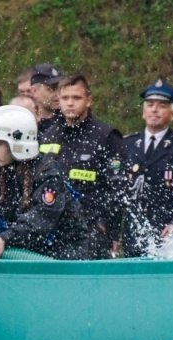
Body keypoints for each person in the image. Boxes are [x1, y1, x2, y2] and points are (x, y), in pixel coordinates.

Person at [0, 105, 88, 260]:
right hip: (24, 250)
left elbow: (40, 220)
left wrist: (5, 239)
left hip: (62, 255)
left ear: (17, 145)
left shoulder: (48, 174)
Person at [39, 74, 128, 259]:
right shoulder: (49, 135)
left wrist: (105, 225)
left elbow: (118, 188)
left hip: (90, 228)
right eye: (65, 98)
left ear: (88, 101)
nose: (70, 103)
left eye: (76, 98)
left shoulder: (106, 136)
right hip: (52, 226)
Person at [118, 78, 173, 257]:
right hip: (133, 232)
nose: (155, 110)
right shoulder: (128, 144)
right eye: (150, 105)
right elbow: (117, 191)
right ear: (143, 112)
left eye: (162, 105)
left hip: (167, 232)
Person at [30, 64, 63, 133]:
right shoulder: (26, 121)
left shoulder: (70, 121)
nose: (58, 94)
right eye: (52, 89)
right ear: (34, 91)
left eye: (61, 88)